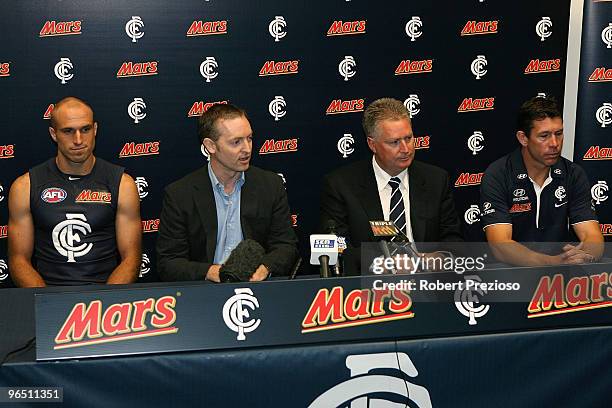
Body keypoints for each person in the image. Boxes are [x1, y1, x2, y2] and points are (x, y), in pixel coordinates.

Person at [8, 97, 142, 287]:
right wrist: (48, 302)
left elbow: (131, 258)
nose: (78, 140)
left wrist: (102, 304)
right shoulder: (25, 187)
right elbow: (18, 260)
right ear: (53, 134)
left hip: (106, 298)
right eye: (68, 131)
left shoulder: (123, 184)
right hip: (48, 295)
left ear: (95, 129)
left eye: (85, 129)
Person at [156, 103, 299, 282]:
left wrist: (265, 268)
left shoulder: (270, 185)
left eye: (250, 138)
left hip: (258, 289)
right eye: (236, 142)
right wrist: (211, 272)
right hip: (205, 294)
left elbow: (286, 246)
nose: (247, 149)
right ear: (211, 146)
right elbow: (169, 263)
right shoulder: (180, 194)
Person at [319, 98, 462, 273]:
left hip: (427, 284)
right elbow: (338, 249)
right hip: (371, 289)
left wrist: (434, 259)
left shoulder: (436, 180)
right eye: (394, 142)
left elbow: (454, 243)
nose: (405, 149)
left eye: (408, 138)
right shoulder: (341, 185)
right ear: (372, 144)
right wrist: (380, 264)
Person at [480, 96, 603, 266]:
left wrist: (585, 254)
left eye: (558, 134)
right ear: (523, 138)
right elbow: (500, 246)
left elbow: (593, 236)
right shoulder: (498, 174)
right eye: (544, 136)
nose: (554, 143)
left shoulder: (573, 174)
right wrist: (552, 262)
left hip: (559, 280)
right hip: (511, 277)